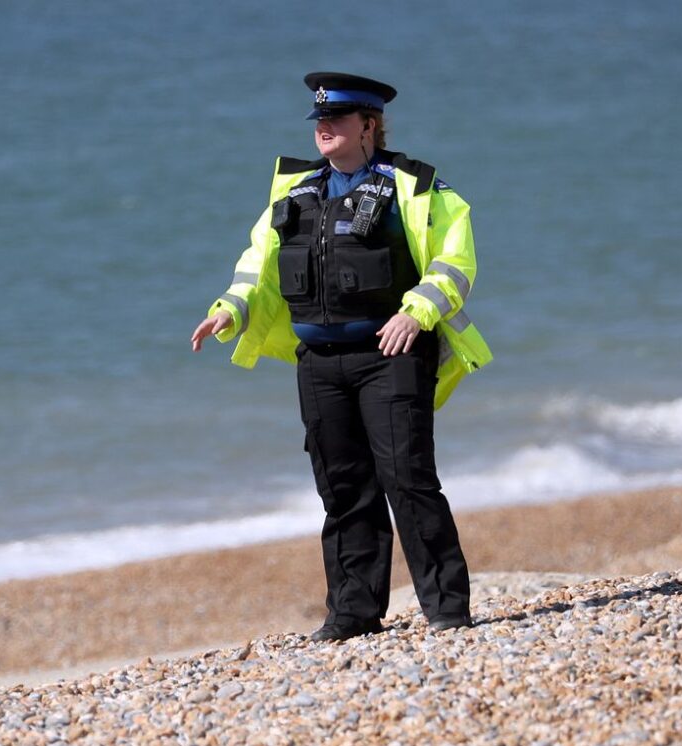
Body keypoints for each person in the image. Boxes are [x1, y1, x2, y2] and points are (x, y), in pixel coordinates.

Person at [190, 72, 493, 642]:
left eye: (336, 120)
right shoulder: (293, 191)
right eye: (319, 121)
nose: (323, 129)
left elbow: (455, 263)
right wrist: (230, 309)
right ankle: (354, 612)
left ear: (369, 126)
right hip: (320, 362)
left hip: (391, 351)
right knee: (343, 487)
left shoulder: (418, 188)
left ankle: (448, 609)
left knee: (407, 478)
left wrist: (418, 313)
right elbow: (259, 263)